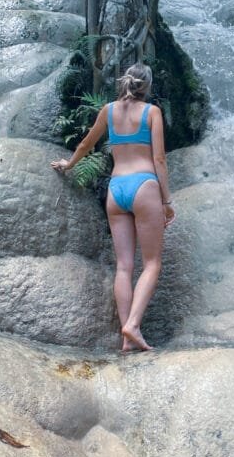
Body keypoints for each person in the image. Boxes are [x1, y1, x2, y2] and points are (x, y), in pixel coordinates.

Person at [51, 63, 175, 352]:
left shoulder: (108, 110)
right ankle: (132, 325)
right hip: (144, 186)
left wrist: (68, 165)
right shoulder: (152, 113)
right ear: (147, 86)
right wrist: (167, 201)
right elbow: (159, 160)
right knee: (152, 263)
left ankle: (126, 340)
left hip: (116, 189)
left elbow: (86, 144)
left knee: (123, 266)